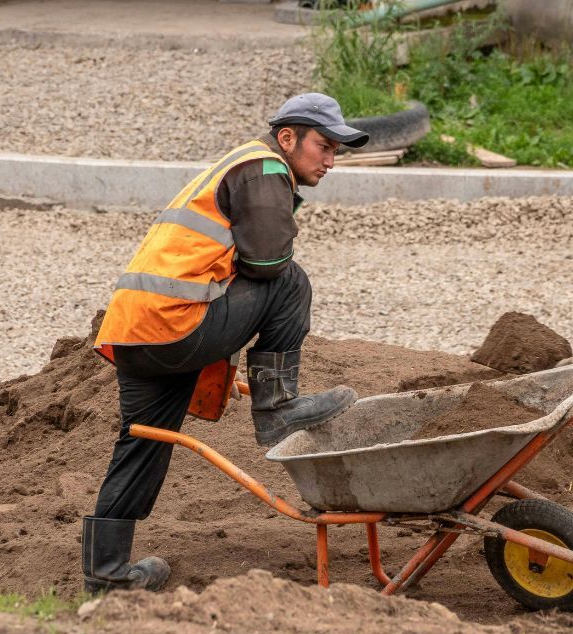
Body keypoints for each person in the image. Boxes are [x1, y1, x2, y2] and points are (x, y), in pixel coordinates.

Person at [81, 93, 370, 593]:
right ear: (287, 138)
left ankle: (107, 576)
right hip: (176, 326)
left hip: (136, 332)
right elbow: (267, 265)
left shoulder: (237, 163)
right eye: (323, 146)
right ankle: (276, 406)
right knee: (290, 282)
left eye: (336, 152)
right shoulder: (264, 168)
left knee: (141, 441)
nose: (329, 161)